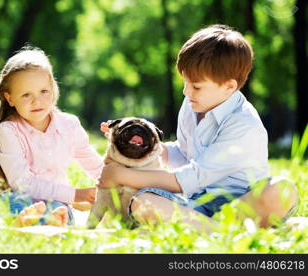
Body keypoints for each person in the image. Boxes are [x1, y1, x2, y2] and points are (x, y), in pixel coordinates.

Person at [98, 25, 298, 232]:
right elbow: (184, 154)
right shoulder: (191, 105)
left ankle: (213, 229)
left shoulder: (243, 124)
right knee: (141, 202)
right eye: (185, 82)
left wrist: (121, 175)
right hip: (196, 206)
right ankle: (221, 230)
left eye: (196, 86)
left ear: (229, 86)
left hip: (243, 202)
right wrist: (144, 144)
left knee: (282, 190)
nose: (186, 91)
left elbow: (190, 178)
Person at [0, 47, 103, 227]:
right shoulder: (9, 130)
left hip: (56, 203)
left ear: (53, 89)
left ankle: (40, 220)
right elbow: (23, 184)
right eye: (26, 95)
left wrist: (118, 184)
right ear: (10, 99)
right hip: (19, 199)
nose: (37, 101)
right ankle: (29, 218)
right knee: (6, 203)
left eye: (43, 91)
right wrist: (75, 194)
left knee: (58, 209)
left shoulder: (69, 125)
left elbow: (95, 165)